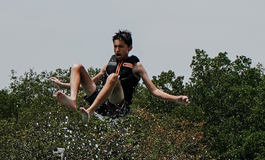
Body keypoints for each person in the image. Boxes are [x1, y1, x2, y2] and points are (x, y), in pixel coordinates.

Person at [50, 30, 189, 120]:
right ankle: (72, 100)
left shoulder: (136, 66)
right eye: (115, 46)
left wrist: (176, 98)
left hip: (118, 107)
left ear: (129, 48)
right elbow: (93, 82)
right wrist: (63, 85)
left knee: (113, 78)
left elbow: (154, 90)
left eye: (121, 47)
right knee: (77, 67)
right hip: (102, 101)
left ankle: (90, 111)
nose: (117, 50)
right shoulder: (110, 63)